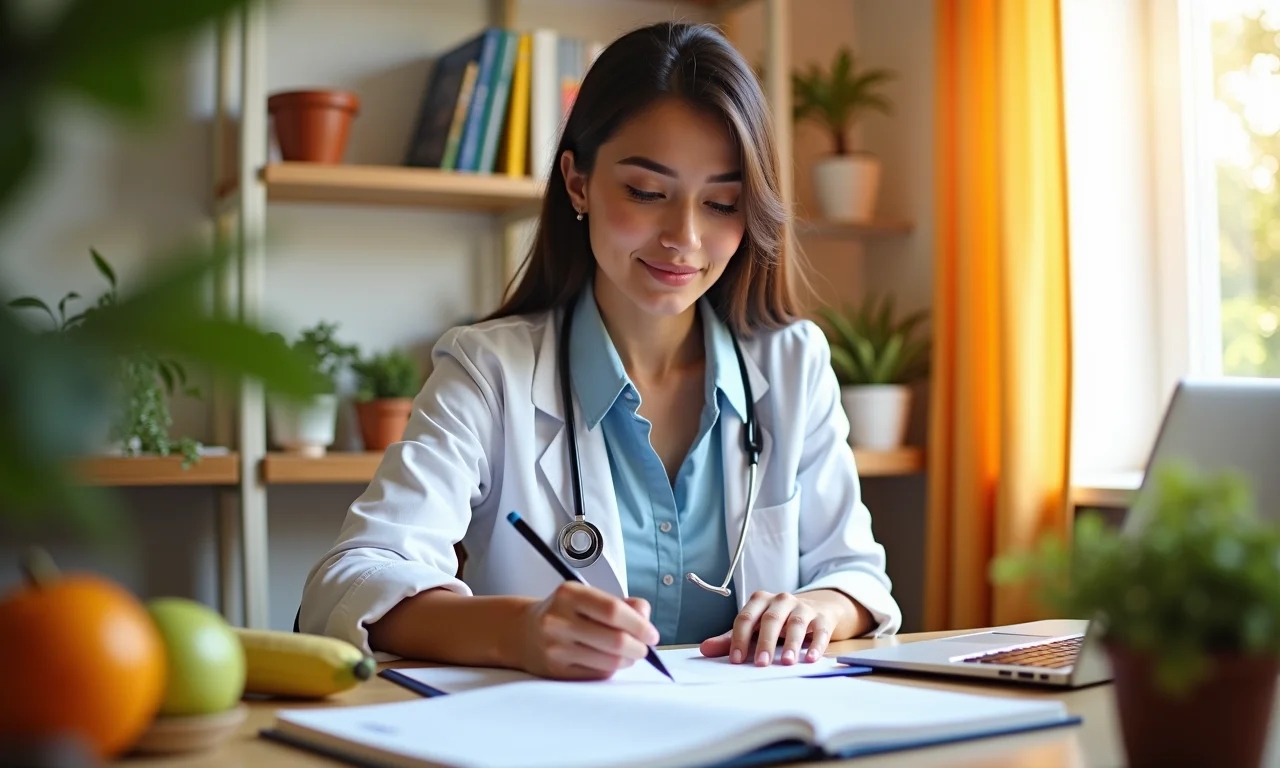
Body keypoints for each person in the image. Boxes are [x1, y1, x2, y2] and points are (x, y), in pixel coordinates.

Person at [299, 21, 901, 681]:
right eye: (647, 193)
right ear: (578, 184)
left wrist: (819, 608)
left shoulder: (792, 362)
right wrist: (516, 631)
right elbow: (348, 579)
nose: (685, 239)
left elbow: (855, 574)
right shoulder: (490, 369)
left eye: (723, 203)